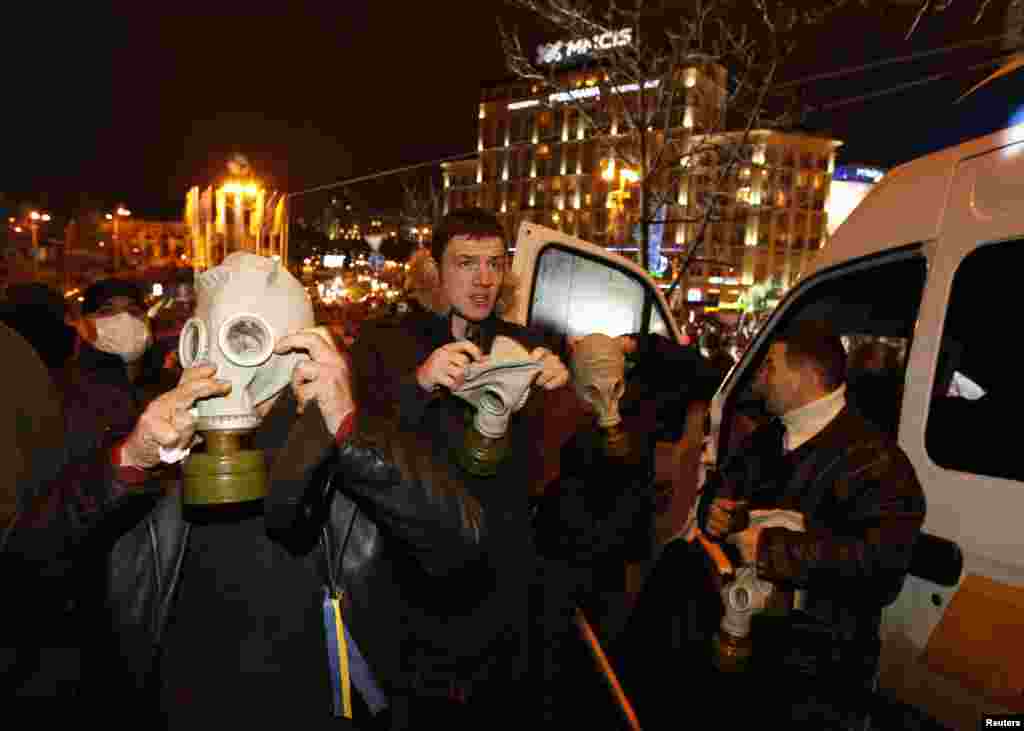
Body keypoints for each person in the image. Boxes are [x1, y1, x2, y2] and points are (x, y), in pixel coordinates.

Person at [4, 253, 497, 729]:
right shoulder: (155, 445)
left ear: (296, 348)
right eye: (209, 338)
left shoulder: (344, 448)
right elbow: (24, 560)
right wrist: (129, 462)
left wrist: (350, 432)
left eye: (244, 338)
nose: (222, 359)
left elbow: (461, 541)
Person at [348, 208, 570, 727]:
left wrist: (559, 392)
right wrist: (418, 384)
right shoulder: (388, 338)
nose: (483, 279)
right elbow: (357, 437)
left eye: (494, 264)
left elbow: (552, 463)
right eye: (466, 262)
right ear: (433, 269)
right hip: (415, 574)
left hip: (502, 570)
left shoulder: (526, 342)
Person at [697, 321, 926, 728]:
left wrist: (772, 550)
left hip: (819, 679)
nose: (759, 377)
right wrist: (718, 514)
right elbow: (720, 498)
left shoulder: (877, 461)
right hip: (747, 655)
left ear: (804, 375)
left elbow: (881, 567)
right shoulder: (765, 441)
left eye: (769, 365)